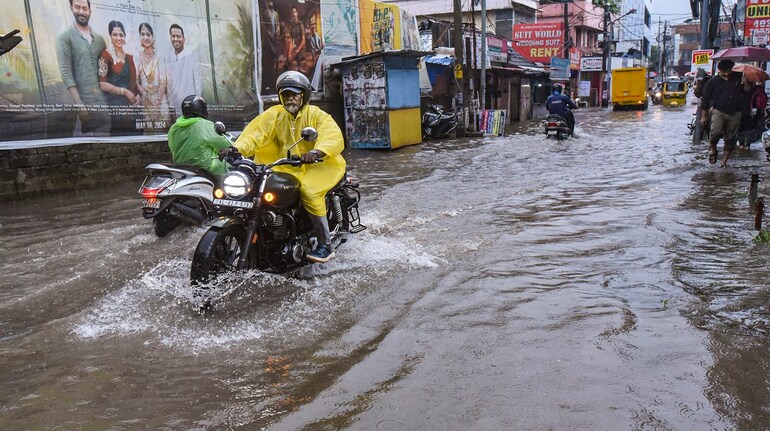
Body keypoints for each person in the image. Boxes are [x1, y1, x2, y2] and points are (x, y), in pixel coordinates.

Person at [232, 71, 345, 263]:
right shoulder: (275, 114)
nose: (290, 98)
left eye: (295, 93)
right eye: (285, 94)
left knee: (309, 191)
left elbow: (332, 135)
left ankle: (325, 245)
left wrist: (317, 152)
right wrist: (235, 149)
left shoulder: (317, 115)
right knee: (256, 186)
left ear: (304, 95)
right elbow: (255, 134)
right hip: (286, 165)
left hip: (320, 165)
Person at [55, 0, 109, 134]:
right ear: (71, 8)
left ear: (90, 11)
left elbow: (107, 70)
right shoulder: (64, 36)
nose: (81, 11)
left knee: (109, 145)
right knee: (87, 147)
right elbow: (66, 72)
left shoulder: (99, 39)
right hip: (83, 106)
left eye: (85, 8)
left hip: (105, 105)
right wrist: (79, 105)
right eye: (77, 7)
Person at [167, 95, 230, 176]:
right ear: (201, 108)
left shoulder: (174, 127)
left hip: (182, 169)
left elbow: (172, 146)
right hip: (208, 169)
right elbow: (224, 143)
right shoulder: (204, 124)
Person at [700, 59, 746, 167]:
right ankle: (714, 149)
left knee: (731, 138)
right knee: (715, 132)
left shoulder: (738, 77)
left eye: (728, 71)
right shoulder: (713, 82)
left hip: (735, 112)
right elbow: (705, 100)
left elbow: (746, 92)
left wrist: (745, 82)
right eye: (723, 71)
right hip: (719, 110)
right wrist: (704, 116)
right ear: (719, 70)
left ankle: (724, 161)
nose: (726, 74)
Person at [98, 20, 140, 134]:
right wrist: (124, 92)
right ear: (110, 36)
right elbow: (102, 84)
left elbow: (134, 80)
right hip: (118, 108)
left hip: (134, 106)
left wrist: (138, 96)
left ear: (125, 36)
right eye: (115, 35)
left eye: (121, 35)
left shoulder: (129, 56)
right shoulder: (106, 55)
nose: (118, 38)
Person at [135, 22, 171, 130]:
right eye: (143, 34)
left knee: (164, 132)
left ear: (152, 37)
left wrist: (157, 104)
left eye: (148, 34)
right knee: (149, 132)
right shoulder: (137, 57)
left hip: (160, 100)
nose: (145, 37)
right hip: (145, 100)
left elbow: (163, 83)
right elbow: (136, 81)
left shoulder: (159, 57)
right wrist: (147, 97)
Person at [167, 24, 203, 117]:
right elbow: (169, 84)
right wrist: (171, 105)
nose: (176, 39)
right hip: (176, 108)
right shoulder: (169, 58)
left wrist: (196, 104)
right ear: (170, 38)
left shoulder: (191, 57)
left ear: (184, 39)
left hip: (191, 107)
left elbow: (198, 83)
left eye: (178, 36)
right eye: (173, 36)